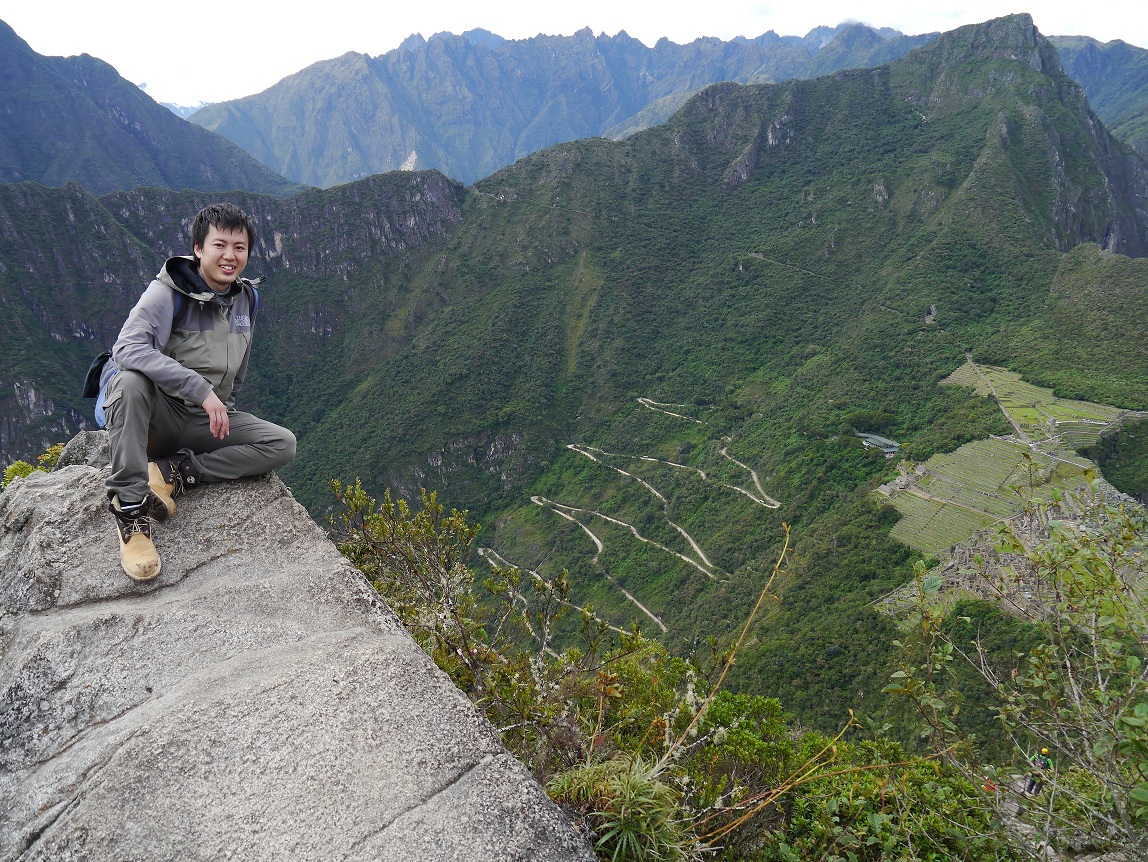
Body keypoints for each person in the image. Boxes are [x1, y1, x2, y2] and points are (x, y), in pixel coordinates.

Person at [101, 203, 295, 581]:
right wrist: (201, 390)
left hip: (202, 420)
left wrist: (222, 406)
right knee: (127, 381)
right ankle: (131, 512)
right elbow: (127, 348)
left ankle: (177, 471)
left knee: (281, 444)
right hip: (160, 414)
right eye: (220, 245)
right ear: (198, 249)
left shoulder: (246, 299)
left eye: (239, 248)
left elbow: (239, 365)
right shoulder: (166, 293)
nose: (230, 256)